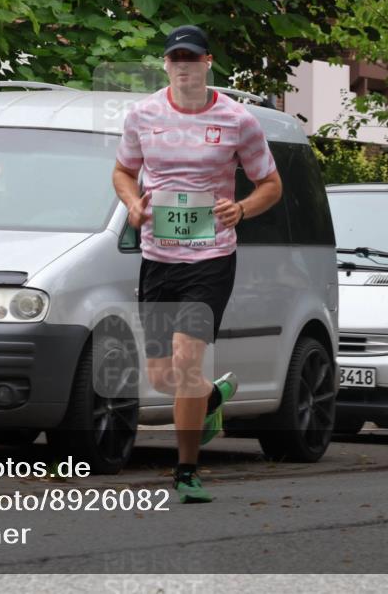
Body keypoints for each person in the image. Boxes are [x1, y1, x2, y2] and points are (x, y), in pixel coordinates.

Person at [112, 25, 283, 503]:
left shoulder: (238, 120)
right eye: (174, 58)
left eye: (192, 57)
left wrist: (242, 208)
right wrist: (131, 202)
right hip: (157, 256)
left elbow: (270, 183)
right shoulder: (143, 114)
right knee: (164, 377)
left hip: (210, 257)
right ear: (165, 64)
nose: (183, 65)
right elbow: (123, 171)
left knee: (188, 361)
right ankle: (210, 398)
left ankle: (186, 472)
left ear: (208, 62)